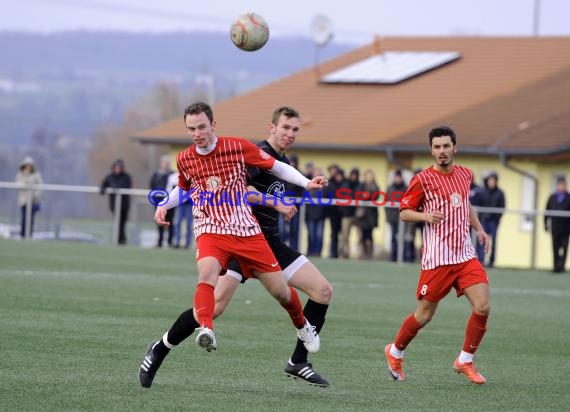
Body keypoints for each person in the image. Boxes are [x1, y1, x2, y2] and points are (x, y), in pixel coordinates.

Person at [139, 102, 327, 388]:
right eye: (192, 128)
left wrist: (305, 183)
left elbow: (277, 169)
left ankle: (300, 350)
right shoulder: (209, 156)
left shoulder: (251, 152)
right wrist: (165, 204)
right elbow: (227, 189)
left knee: (301, 292)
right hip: (219, 233)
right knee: (210, 300)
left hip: (258, 238)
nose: (197, 133)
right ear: (272, 127)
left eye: (295, 129)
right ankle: (169, 345)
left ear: (213, 125)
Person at [384, 126, 491, 385]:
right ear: (431, 150)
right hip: (437, 260)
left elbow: (465, 204)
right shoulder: (422, 179)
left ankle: (465, 360)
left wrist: (478, 228)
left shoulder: (465, 174)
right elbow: (404, 212)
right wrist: (425, 216)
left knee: (483, 305)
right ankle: (395, 352)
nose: (442, 151)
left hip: (465, 256)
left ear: (455, 147)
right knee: (424, 315)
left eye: (446, 146)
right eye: (437, 147)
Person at [100, 159, 132, 245]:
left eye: (119, 168)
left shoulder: (126, 177)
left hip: (124, 205)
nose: (117, 169)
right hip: (114, 204)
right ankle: (118, 239)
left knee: (122, 223)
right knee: (117, 222)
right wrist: (103, 189)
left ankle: (121, 239)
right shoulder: (110, 177)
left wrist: (116, 187)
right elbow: (103, 185)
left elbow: (127, 186)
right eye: (116, 167)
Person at [477, 172, 505, 268]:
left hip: (494, 221)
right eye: (490, 180)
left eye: (493, 180)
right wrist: (481, 218)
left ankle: (491, 262)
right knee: (482, 241)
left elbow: (502, 207)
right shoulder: (482, 192)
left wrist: (496, 218)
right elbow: (478, 205)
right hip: (483, 221)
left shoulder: (500, 193)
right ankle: (481, 261)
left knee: (493, 242)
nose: (491, 182)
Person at [545, 176, 570, 273]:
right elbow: (547, 211)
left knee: (564, 248)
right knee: (555, 247)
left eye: (563, 185)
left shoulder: (569, 197)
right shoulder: (552, 197)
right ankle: (555, 266)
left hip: (566, 228)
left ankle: (562, 266)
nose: (562, 186)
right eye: (560, 184)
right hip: (555, 227)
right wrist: (545, 224)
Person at [150, 156, 175, 248]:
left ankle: (170, 241)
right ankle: (160, 242)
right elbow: (152, 185)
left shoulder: (172, 174)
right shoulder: (156, 174)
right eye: (163, 163)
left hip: (170, 201)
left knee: (170, 221)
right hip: (158, 201)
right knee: (159, 220)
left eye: (166, 163)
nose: (165, 165)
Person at [15, 156, 43, 238]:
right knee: (24, 218)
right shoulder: (20, 174)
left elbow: (40, 186)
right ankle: (22, 235)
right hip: (24, 201)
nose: (28, 167)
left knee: (31, 219)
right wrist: (26, 183)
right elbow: (18, 185)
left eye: (30, 165)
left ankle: (29, 235)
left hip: (33, 200)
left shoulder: (36, 174)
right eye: (27, 165)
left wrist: (36, 196)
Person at [355, 169, 379, 259]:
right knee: (362, 235)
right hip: (362, 215)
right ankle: (362, 253)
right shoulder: (361, 185)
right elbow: (358, 195)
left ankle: (370, 254)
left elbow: (375, 196)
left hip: (371, 216)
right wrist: (365, 195)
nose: (369, 178)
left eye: (370, 177)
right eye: (367, 176)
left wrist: (367, 195)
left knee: (370, 235)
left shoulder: (375, 186)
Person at [167, 171, 193, 249]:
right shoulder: (176, 177)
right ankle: (177, 241)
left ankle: (187, 243)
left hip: (189, 204)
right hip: (180, 204)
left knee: (189, 224)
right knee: (177, 223)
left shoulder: (192, 175)